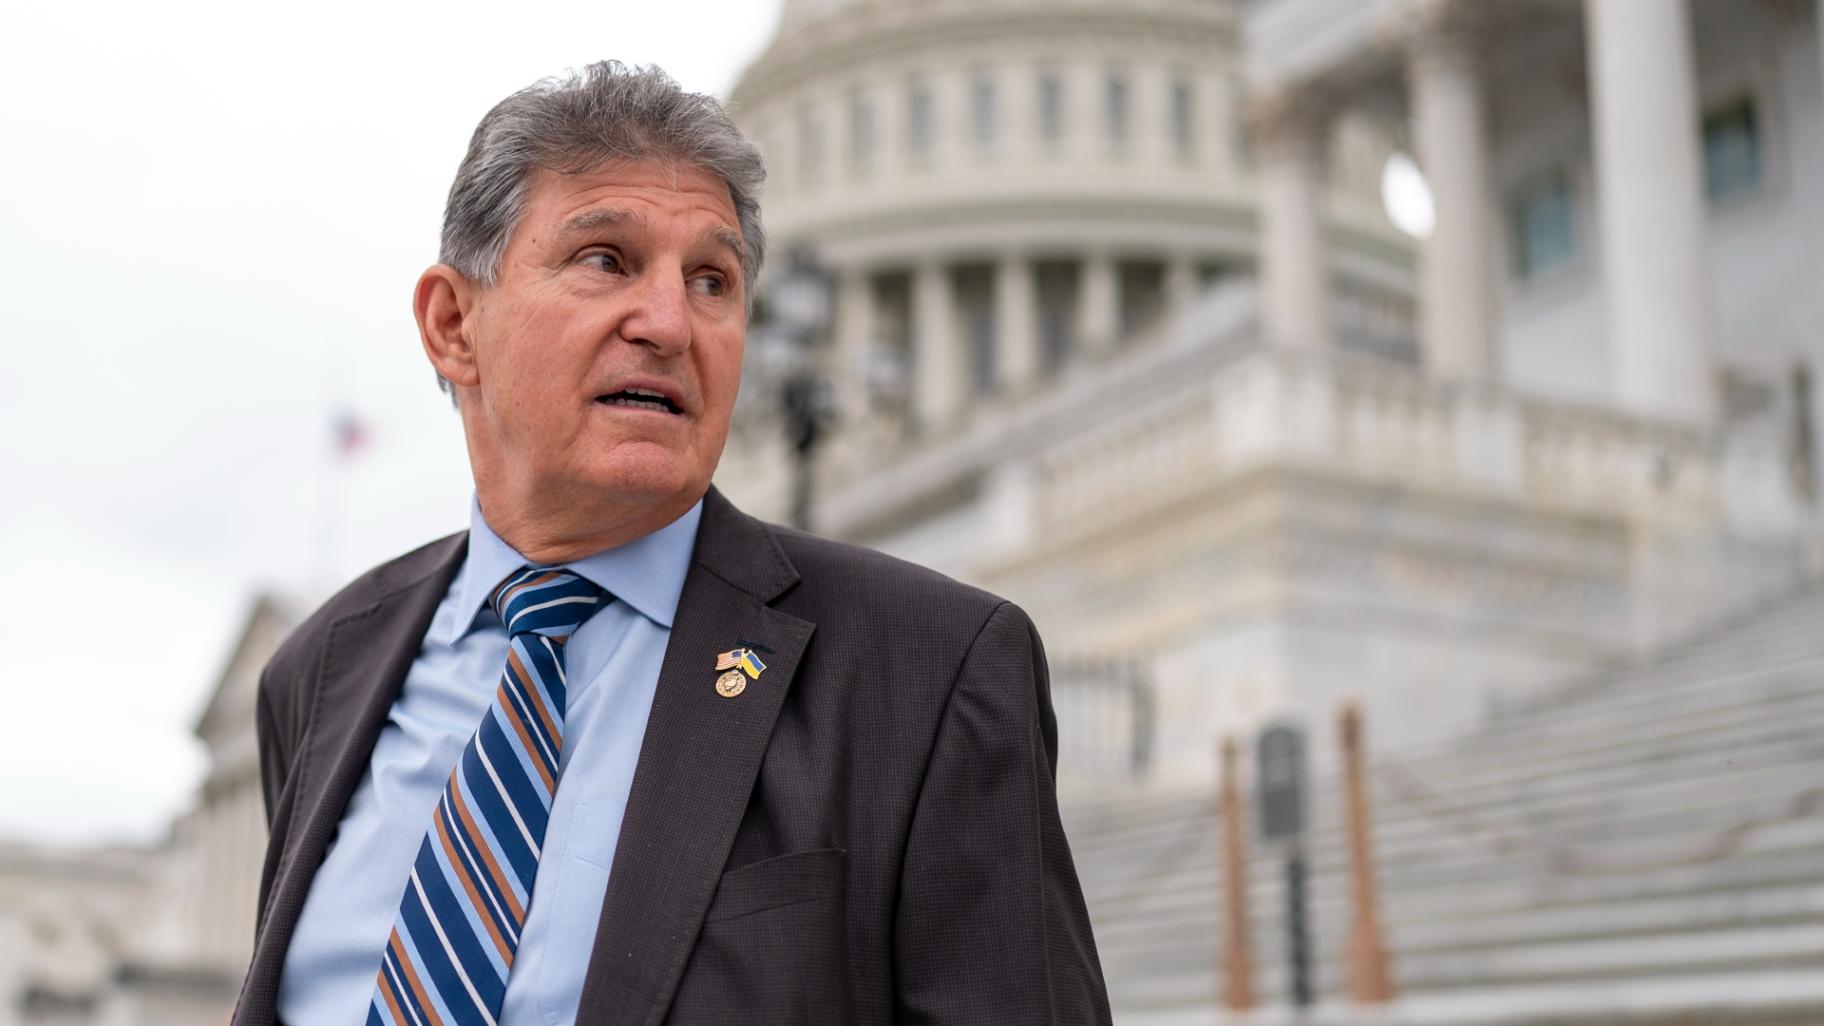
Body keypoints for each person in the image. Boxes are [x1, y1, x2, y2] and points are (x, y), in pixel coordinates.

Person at [230, 61, 1110, 1026]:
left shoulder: (928, 671)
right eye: (606, 259)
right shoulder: (321, 672)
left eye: (711, 281)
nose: (669, 324)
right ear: (453, 325)